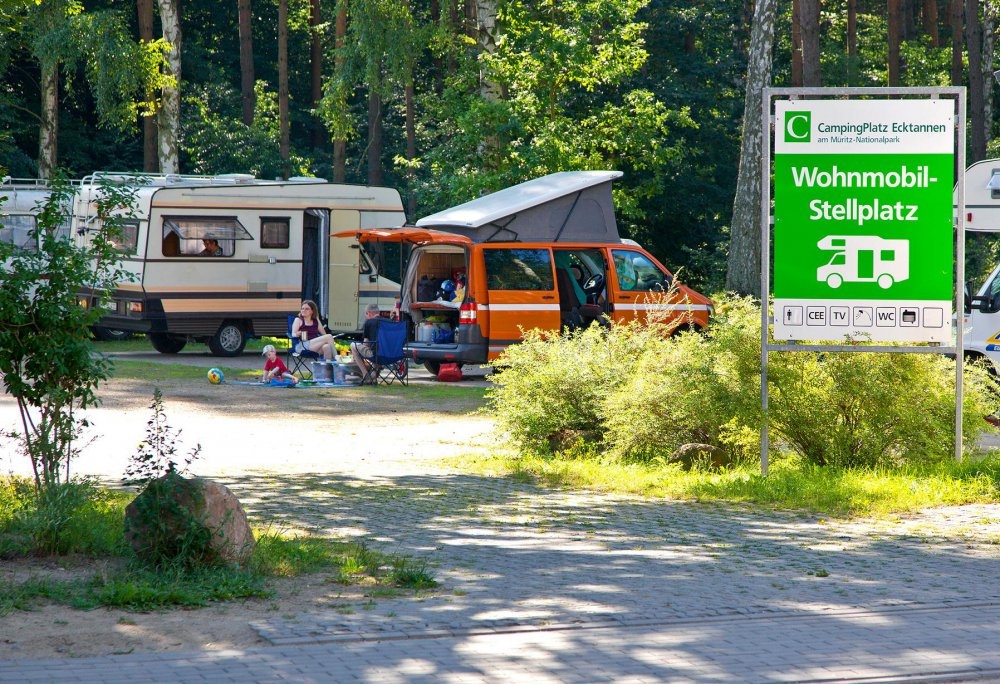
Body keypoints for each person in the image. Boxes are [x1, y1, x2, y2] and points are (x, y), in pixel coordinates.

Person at [350, 303, 381, 382]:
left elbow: (366, 344)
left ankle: (365, 375)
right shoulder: (389, 322)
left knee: (353, 345)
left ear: (369, 313)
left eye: (365, 314)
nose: (366, 317)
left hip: (376, 355)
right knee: (377, 347)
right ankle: (374, 374)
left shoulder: (369, 322)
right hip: (391, 355)